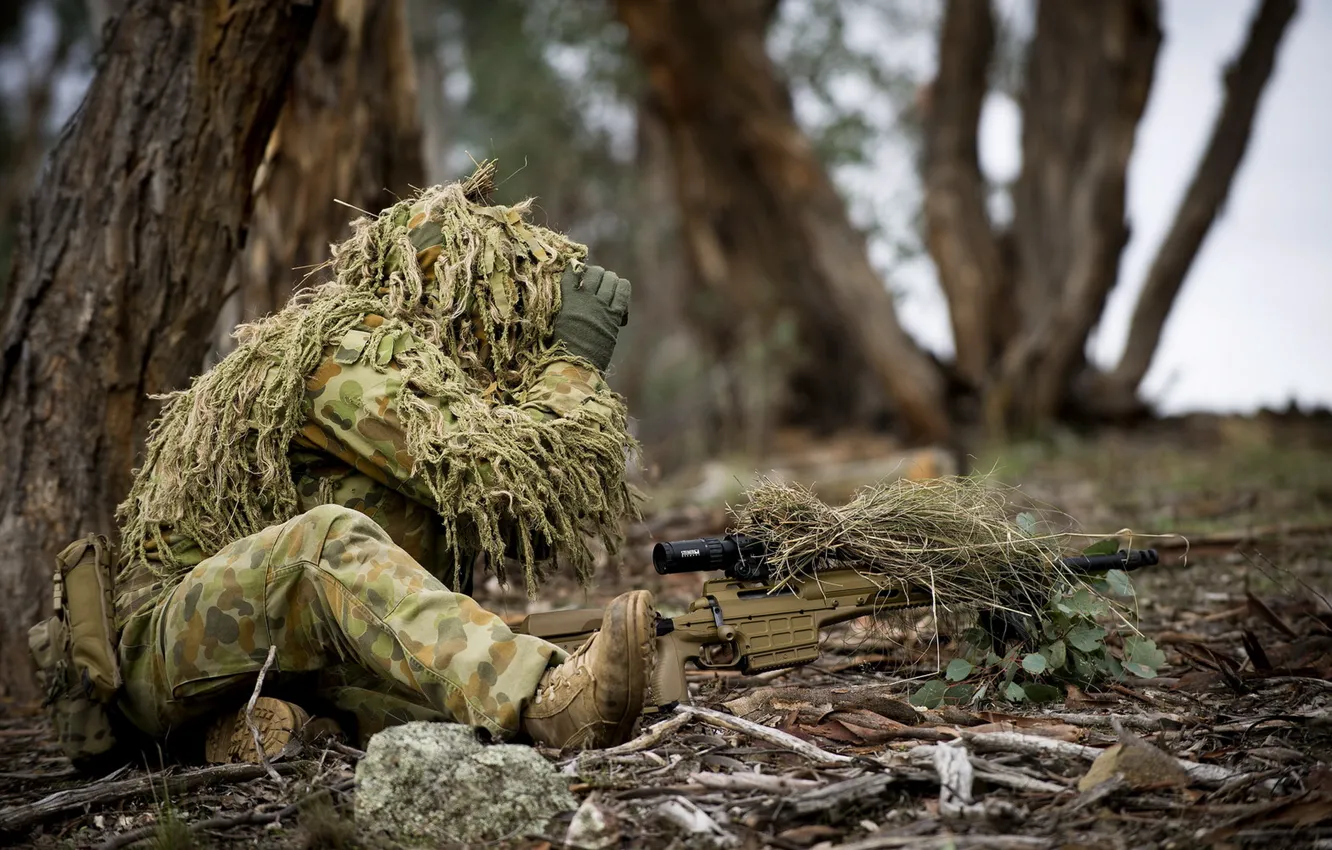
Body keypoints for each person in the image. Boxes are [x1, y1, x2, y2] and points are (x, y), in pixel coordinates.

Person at [110, 168, 654, 761]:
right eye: (506, 300)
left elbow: (521, 511)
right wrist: (572, 358)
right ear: (449, 296)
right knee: (321, 544)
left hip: (281, 659)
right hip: (160, 652)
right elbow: (508, 485)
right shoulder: (339, 359)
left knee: (445, 698)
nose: (517, 328)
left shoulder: (425, 378)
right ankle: (544, 702)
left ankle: (277, 731)